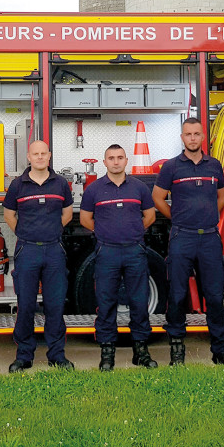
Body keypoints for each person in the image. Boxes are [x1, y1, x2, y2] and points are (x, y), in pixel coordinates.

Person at [152, 117, 224, 366]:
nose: (192, 138)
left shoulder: (214, 165)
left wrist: (208, 215)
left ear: (202, 137)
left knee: (214, 296)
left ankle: (221, 350)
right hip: (182, 237)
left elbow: (222, 197)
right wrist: (176, 217)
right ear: (182, 138)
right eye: (188, 134)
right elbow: (157, 198)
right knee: (177, 294)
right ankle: (177, 350)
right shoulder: (171, 167)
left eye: (196, 134)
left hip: (209, 237)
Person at [79, 144, 158, 371]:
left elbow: (150, 215)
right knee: (106, 303)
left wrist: (134, 232)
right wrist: (105, 234)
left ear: (126, 160)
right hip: (107, 252)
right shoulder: (94, 190)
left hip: (134, 251)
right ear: (105, 162)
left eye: (120, 157)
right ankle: (107, 354)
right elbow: (85, 219)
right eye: (111, 158)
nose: (116, 162)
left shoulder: (139, 187)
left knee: (139, 302)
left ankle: (141, 352)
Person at [2, 141, 75, 373]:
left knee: (55, 305)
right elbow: (9, 215)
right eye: (36, 154)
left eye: (44, 153)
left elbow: (67, 213)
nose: (40, 157)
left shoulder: (60, 183)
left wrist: (51, 232)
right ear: (29, 156)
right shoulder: (18, 185)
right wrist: (26, 234)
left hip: (54, 250)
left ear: (49, 155)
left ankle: (57, 356)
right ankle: (24, 356)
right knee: (25, 305)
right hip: (27, 250)